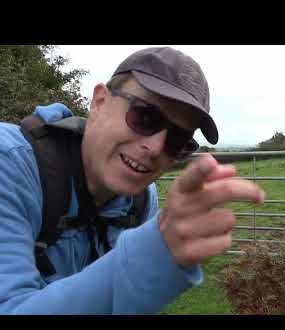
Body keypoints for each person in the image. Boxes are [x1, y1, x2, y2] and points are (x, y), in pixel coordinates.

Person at [0, 46, 265, 314]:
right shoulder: (8, 163)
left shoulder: (140, 199)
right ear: (99, 102)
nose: (156, 147)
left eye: (177, 140)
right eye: (145, 116)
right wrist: (154, 252)